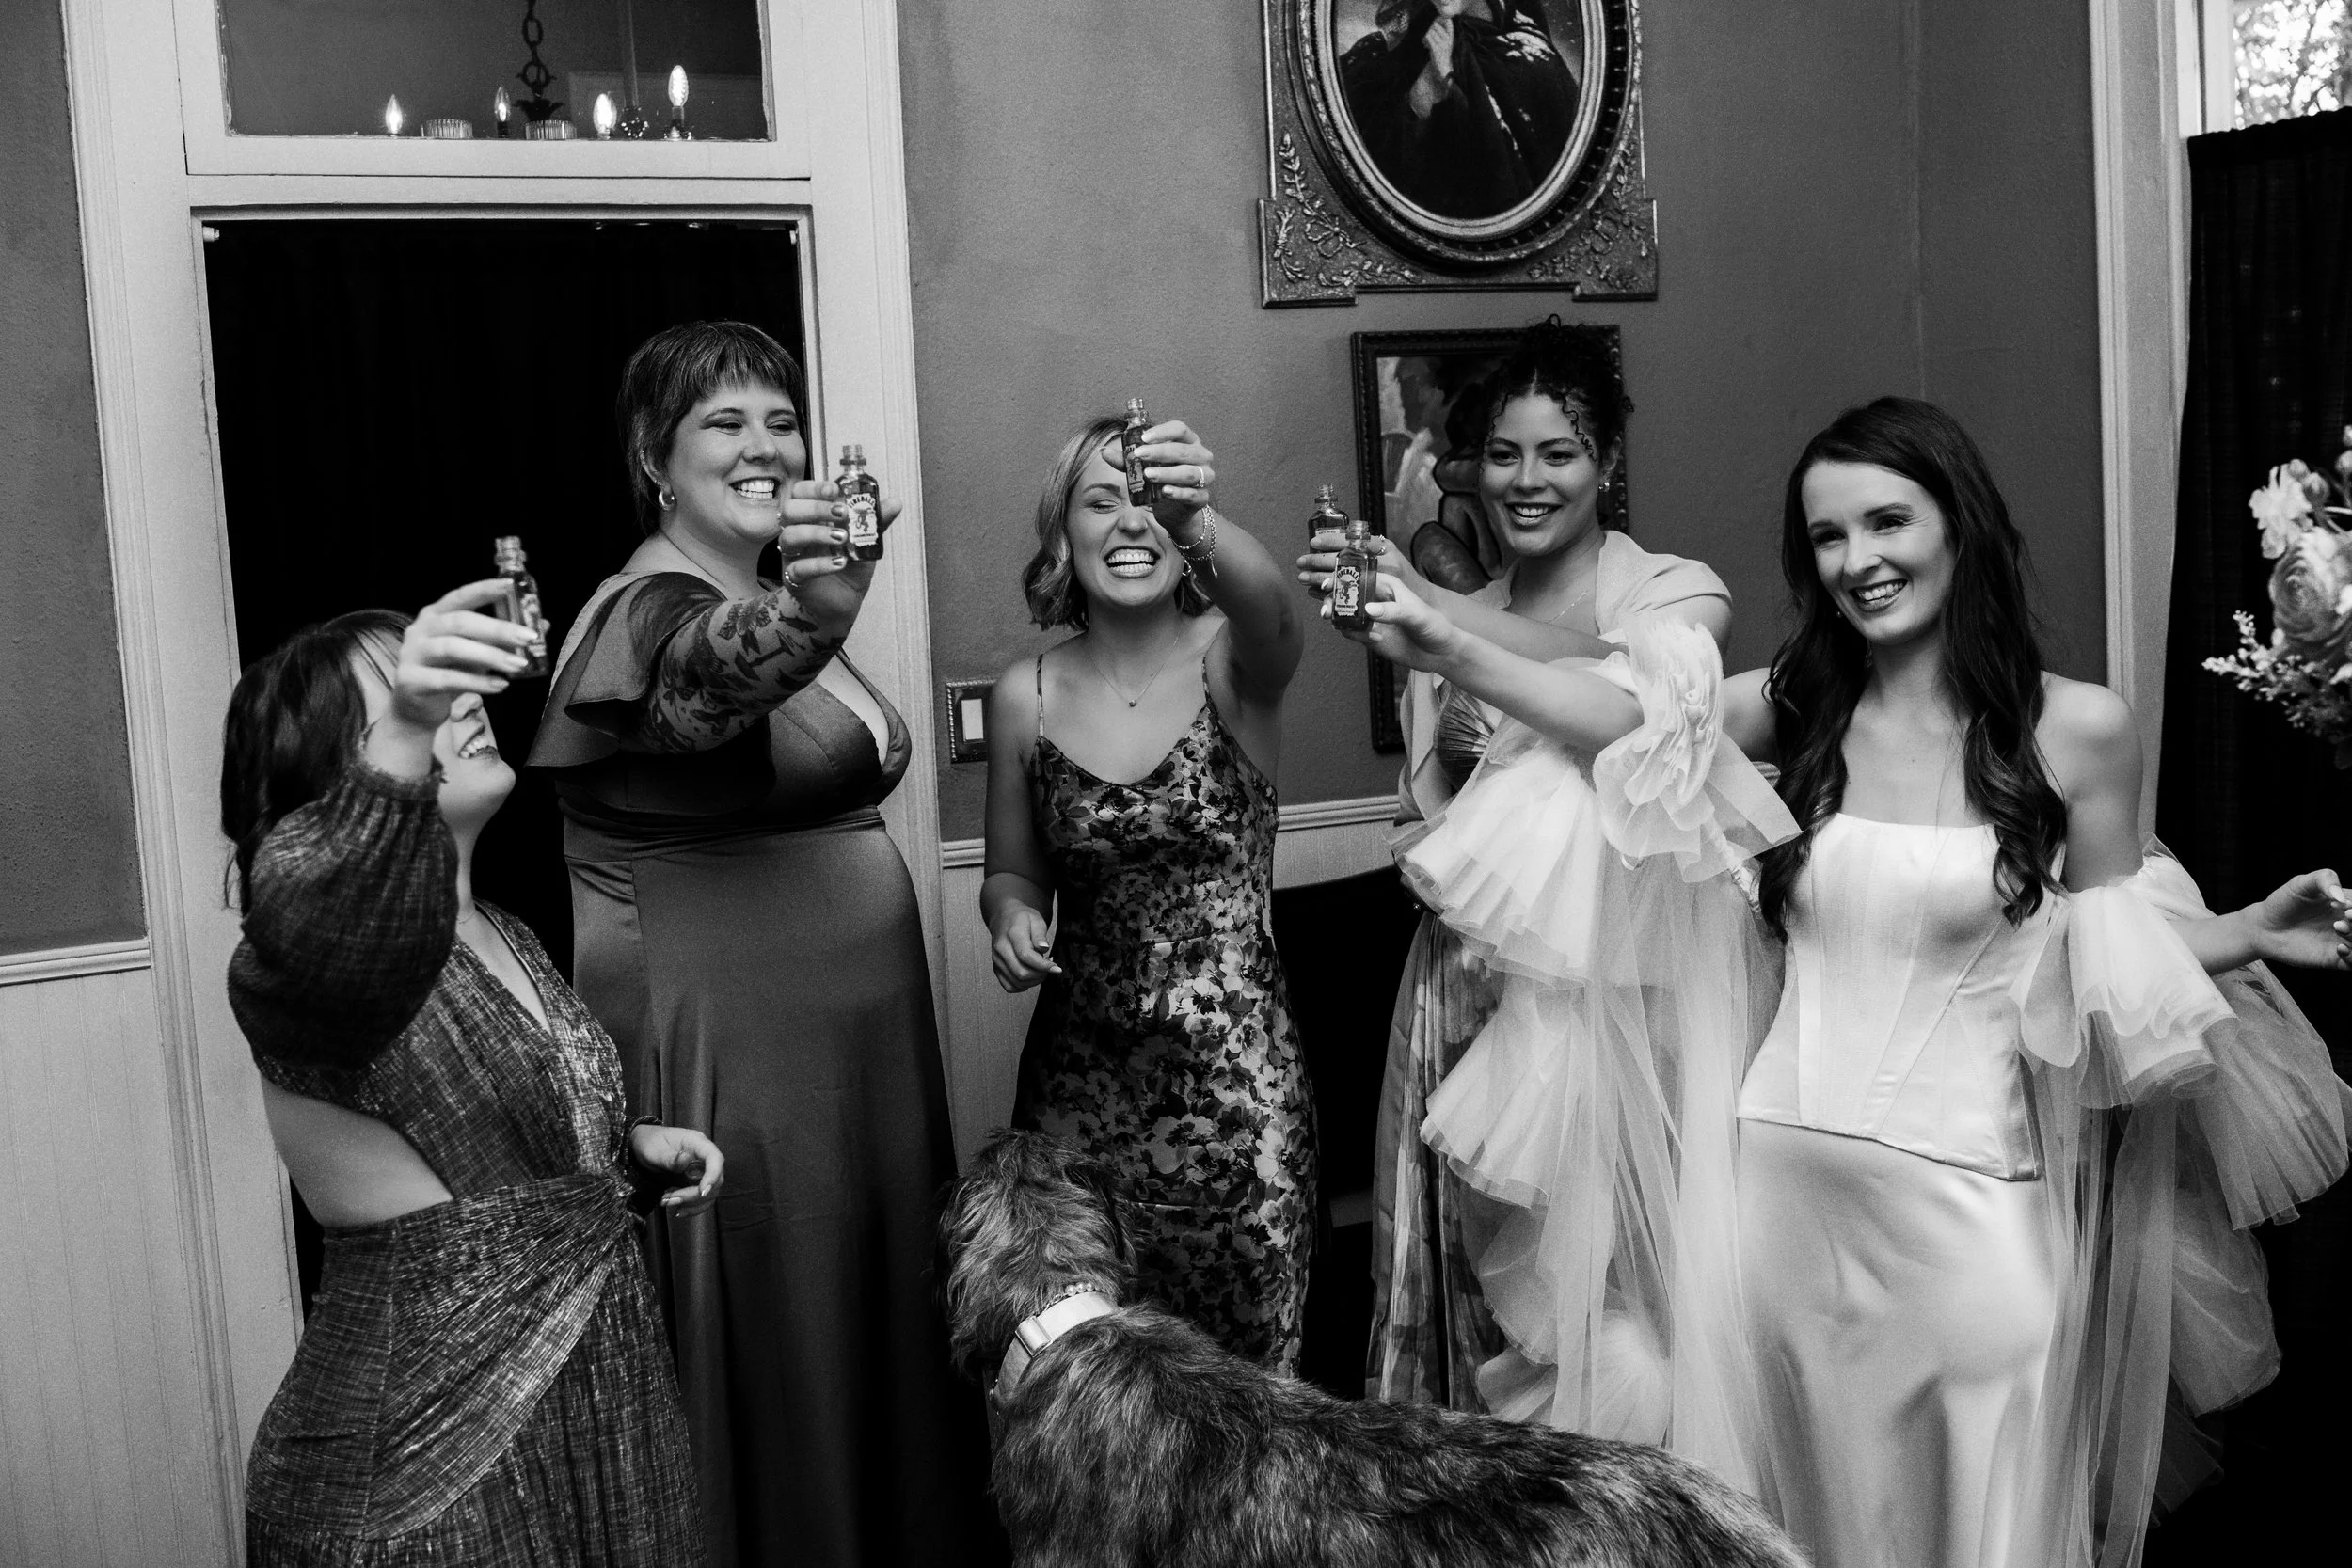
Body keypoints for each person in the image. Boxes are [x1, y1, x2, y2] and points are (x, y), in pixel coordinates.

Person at [1352, 395, 2352, 1566]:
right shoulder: (1800, 704)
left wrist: (2237, 931)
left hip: (1974, 1217)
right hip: (1777, 1207)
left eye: (1886, 522)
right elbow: (1621, 722)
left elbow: (2102, 954)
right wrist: (1452, 644)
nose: (1857, 560)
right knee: (1797, 1528)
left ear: (1960, 525)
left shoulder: (2077, 728)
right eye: (1828, 537)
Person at [526, 323, 996, 1568]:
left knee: (864, 1323)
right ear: (653, 458)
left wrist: (809, 602)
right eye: (723, 422)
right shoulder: (649, 606)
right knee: (774, 1324)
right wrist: (813, 606)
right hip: (735, 1053)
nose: (763, 442)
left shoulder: (759, 588)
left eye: (780, 418)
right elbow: (700, 688)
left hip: (853, 1061)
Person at [220, 586, 720, 1565]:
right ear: (337, 783)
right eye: (410, 694)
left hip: (594, 1418)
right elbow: (327, 927)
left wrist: (621, 1152)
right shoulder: (310, 958)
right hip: (424, 1469)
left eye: (445, 681)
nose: (460, 701)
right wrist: (409, 725)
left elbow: (488, 1153)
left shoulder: (504, 929)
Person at [1300, 319, 1736, 1417]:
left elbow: (1622, 689)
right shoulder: (1449, 618)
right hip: (1462, 992)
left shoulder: (1676, 593)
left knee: (1614, 1292)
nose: (1527, 480)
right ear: (1465, 468)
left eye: (1559, 451)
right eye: (1503, 454)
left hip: (1619, 1007)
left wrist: (1435, 615)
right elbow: (1429, 803)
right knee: (1467, 1280)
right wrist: (1424, 620)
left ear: (1607, 463)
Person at [980, 412, 1312, 1369]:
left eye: (1153, 502)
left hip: (1238, 1102)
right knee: (1079, 1387)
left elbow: (1277, 612)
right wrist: (1008, 915)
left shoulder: (1233, 660)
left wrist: (1200, 514)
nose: (1131, 523)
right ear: (1063, 533)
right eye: (1102, 501)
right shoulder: (1025, 692)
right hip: (1076, 1104)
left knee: (1244, 1391)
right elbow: (1011, 870)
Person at [1338, 0, 1581, 222]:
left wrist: (1446, 79)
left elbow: (1500, 186)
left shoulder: (1533, 59)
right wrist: (1424, 93)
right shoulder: (1409, 42)